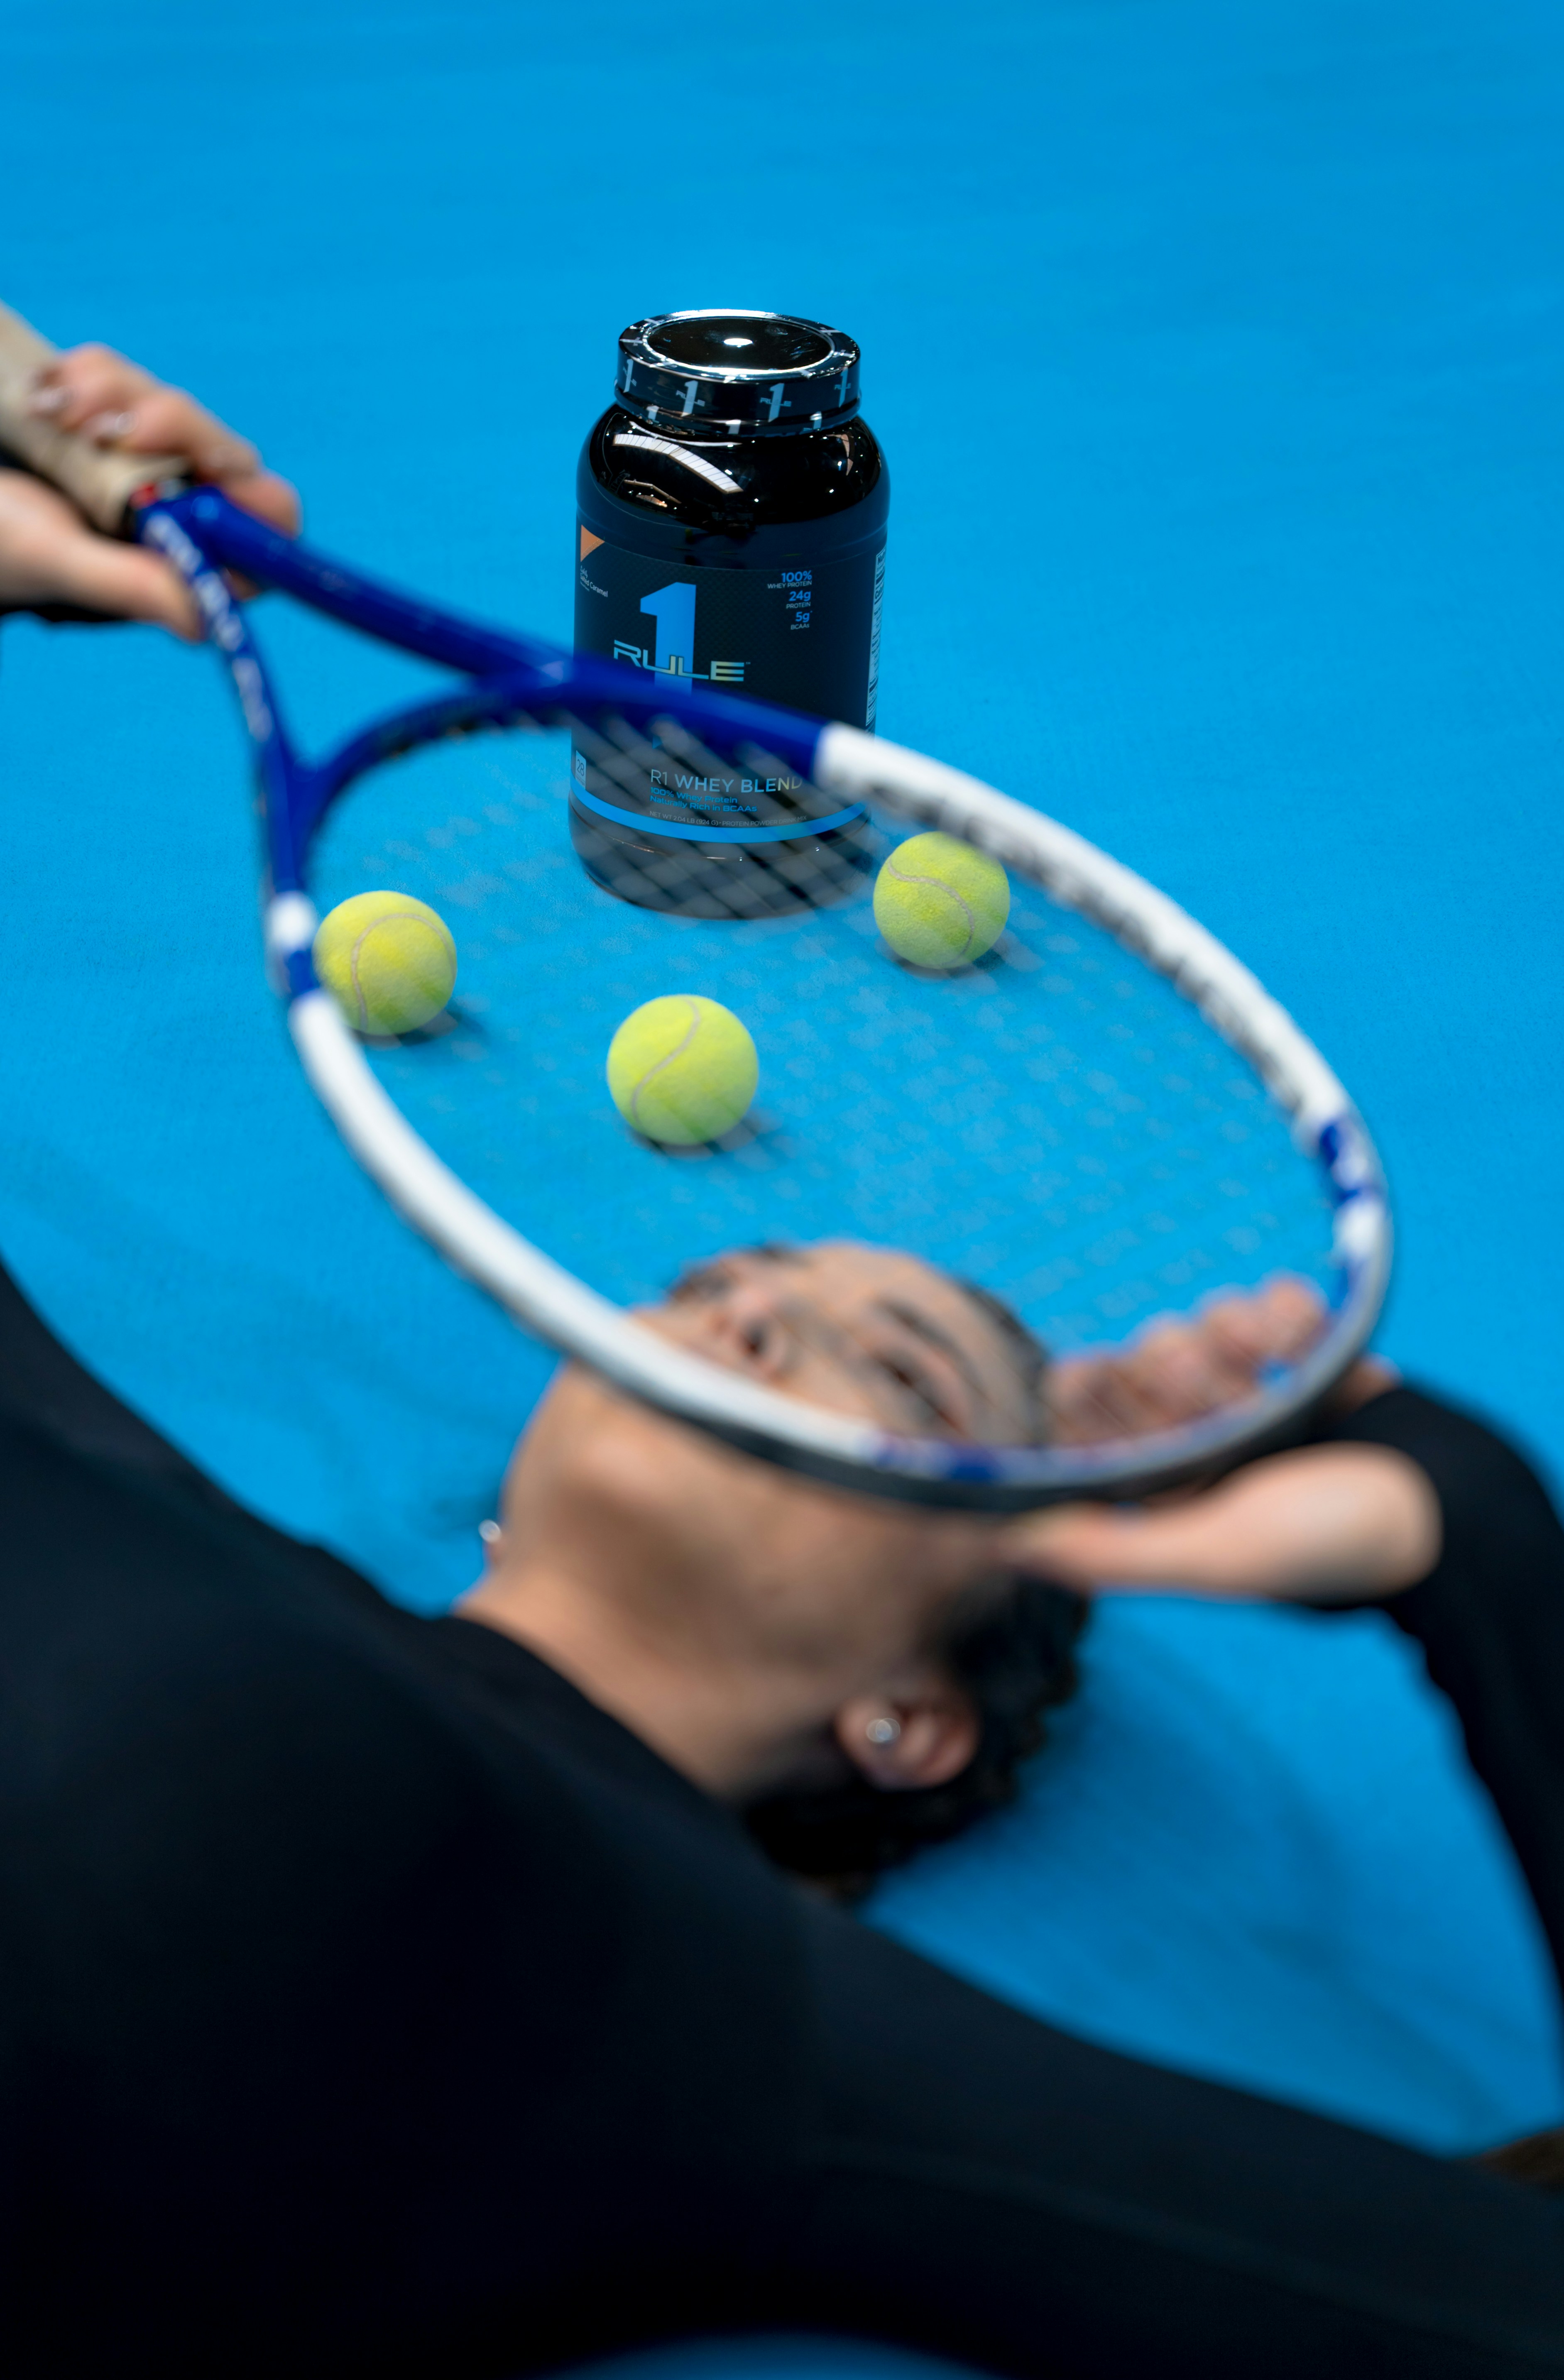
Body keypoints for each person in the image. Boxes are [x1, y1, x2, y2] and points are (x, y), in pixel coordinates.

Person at [5, 345, 1564, 2379]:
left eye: (893, 1377)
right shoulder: (123, 1485)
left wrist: (1465, 1526)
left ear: (903, 1717)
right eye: (738, 1281)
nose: (757, 1313)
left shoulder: (745, 2040)